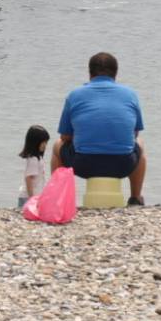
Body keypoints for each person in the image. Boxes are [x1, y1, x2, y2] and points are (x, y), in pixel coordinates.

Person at [51, 52, 147, 206]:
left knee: (57, 146)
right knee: (140, 144)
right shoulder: (130, 95)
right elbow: (134, 133)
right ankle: (135, 197)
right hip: (122, 165)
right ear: (115, 74)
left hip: (84, 165)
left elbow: (65, 137)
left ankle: (59, 198)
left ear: (90, 74)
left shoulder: (75, 95)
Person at [18, 125, 49, 210]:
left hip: (35, 196)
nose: (45, 145)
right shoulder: (33, 159)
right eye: (43, 142)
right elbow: (29, 179)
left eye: (46, 142)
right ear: (35, 142)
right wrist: (32, 199)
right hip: (28, 197)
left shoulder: (38, 157)